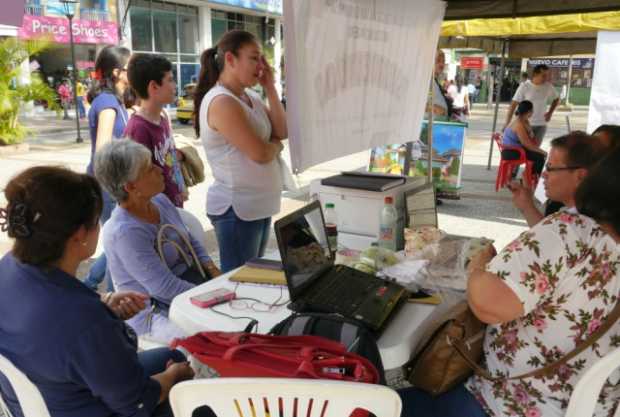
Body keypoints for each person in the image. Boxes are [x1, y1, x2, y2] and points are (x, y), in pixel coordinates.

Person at [399, 146, 620, 417]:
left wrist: (478, 267)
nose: (544, 174)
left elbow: (488, 306)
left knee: (379, 402)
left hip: (507, 403)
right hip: (588, 407)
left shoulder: (571, 231)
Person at [0, 166, 198, 417]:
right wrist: (173, 376)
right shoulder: (85, 321)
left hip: (35, 398)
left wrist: (103, 308)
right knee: (196, 390)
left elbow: (58, 320)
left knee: (170, 354)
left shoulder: (8, 267)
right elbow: (136, 404)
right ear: (81, 234)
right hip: (81, 405)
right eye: (97, 220)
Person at [94, 140, 221, 344]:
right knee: (214, 340)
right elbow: (163, 288)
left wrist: (212, 269)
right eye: (149, 169)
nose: (159, 170)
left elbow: (189, 240)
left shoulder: (160, 201)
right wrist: (212, 296)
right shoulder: (124, 232)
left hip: (189, 287)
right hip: (154, 314)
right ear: (131, 187)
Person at [194, 30, 287, 273]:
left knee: (252, 278)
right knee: (238, 283)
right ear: (230, 59)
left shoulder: (251, 97)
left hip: (258, 205)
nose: (261, 66)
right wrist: (275, 146)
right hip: (237, 209)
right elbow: (260, 153)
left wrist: (271, 87)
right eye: (254, 58)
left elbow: (282, 130)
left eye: (262, 59)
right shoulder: (222, 101)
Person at [82, 45, 132, 292]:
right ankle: (114, 303)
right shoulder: (108, 103)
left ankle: (89, 284)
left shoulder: (115, 101)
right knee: (118, 246)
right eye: (129, 67)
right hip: (109, 184)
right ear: (117, 72)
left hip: (109, 183)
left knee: (116, 243)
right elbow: (103, 150)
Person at [126, 54, 187, 208]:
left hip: (173, 205)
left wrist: (181, 186)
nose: (175, 86)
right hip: (157, 214)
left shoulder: (162, 119)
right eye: (170, 80)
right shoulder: (138, 129)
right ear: (154, 87)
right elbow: (138, 182)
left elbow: (171, 156)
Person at [510, 131, 606, 227]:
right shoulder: (595, 214)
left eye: (550, 168)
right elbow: (547, 236)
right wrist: (527, 206)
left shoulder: (581, 224)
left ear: (580, 176)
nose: (544, 174)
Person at [504, 64, 559, 143]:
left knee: (535, 150)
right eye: (543, 75)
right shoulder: (525, 86)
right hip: (525, 124)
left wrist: (550, 113)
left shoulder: (548, 86)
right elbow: (513, 105)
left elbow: (556, 99)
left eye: (547, 75)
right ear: (535, 74)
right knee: (524, 149)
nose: (546, 78)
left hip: (541, 125)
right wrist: (507, 123)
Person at [501, 100, 547, 177]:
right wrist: (544, 152)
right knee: (540, 157)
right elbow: (527, 144)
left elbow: (531, 137)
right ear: (529, 111)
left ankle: (531, 177)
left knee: (538, 155)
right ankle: (530, 178)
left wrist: (529, 128)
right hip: (511, 152)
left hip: (512, 149)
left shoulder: (522, 120)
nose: (533, 112)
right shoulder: (518, 124)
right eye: (532, 110)